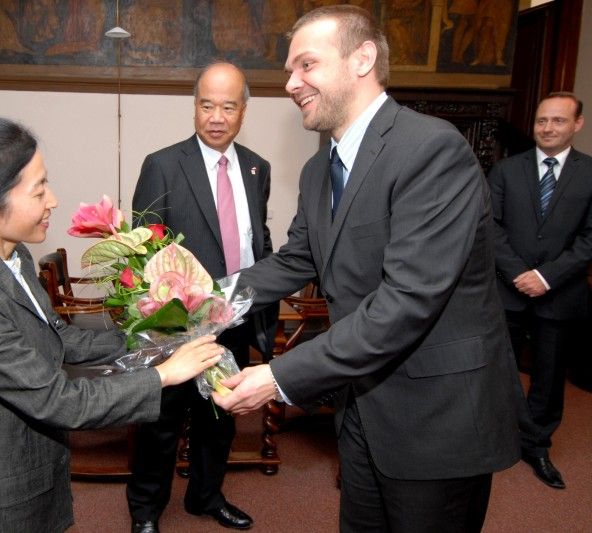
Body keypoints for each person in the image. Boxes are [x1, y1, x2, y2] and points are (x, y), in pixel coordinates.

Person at [213, 6, 521, 532]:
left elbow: (405, 304)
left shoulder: (431, 149)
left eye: (306, 65)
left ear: (363, 58)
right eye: (290, 70)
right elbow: (296, 260)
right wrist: (204, 296)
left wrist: (279, 377)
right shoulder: (316, 171)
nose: (291, 83)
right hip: (360, 404)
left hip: (436, 415)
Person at [0, 116, 223, 532]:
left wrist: (153, 336)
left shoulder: (12, 256)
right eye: (39, 189)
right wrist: (163, 375)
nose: (53, 200)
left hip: (29, 464)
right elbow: (58, 400)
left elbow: (56, 338)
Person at [126, 61, 275, 533]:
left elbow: (256, 238)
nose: (216, 116)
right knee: (162, 423)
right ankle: (145, 511)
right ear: (195, 107)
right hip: (177, 327)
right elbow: (141, 251)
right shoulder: (163, 164)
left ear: (243, 111)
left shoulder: (257, 168)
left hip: (235, 319)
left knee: (220, 420)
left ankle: (206, 496)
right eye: (207, 105)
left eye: (227, 106)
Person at [488, 92, 592, 489]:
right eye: (542, 121)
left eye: (558, 121)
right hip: (508, 289)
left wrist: (546, 277)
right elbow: (490, 227)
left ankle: (537, 445)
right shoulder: (505, 170)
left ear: (577, 124)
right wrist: (520, 273)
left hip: (561, 293)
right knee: (501, 370)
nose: (548, 128)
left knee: (549, 377)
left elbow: (589, 238)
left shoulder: (590, 173)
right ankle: (500, 438)